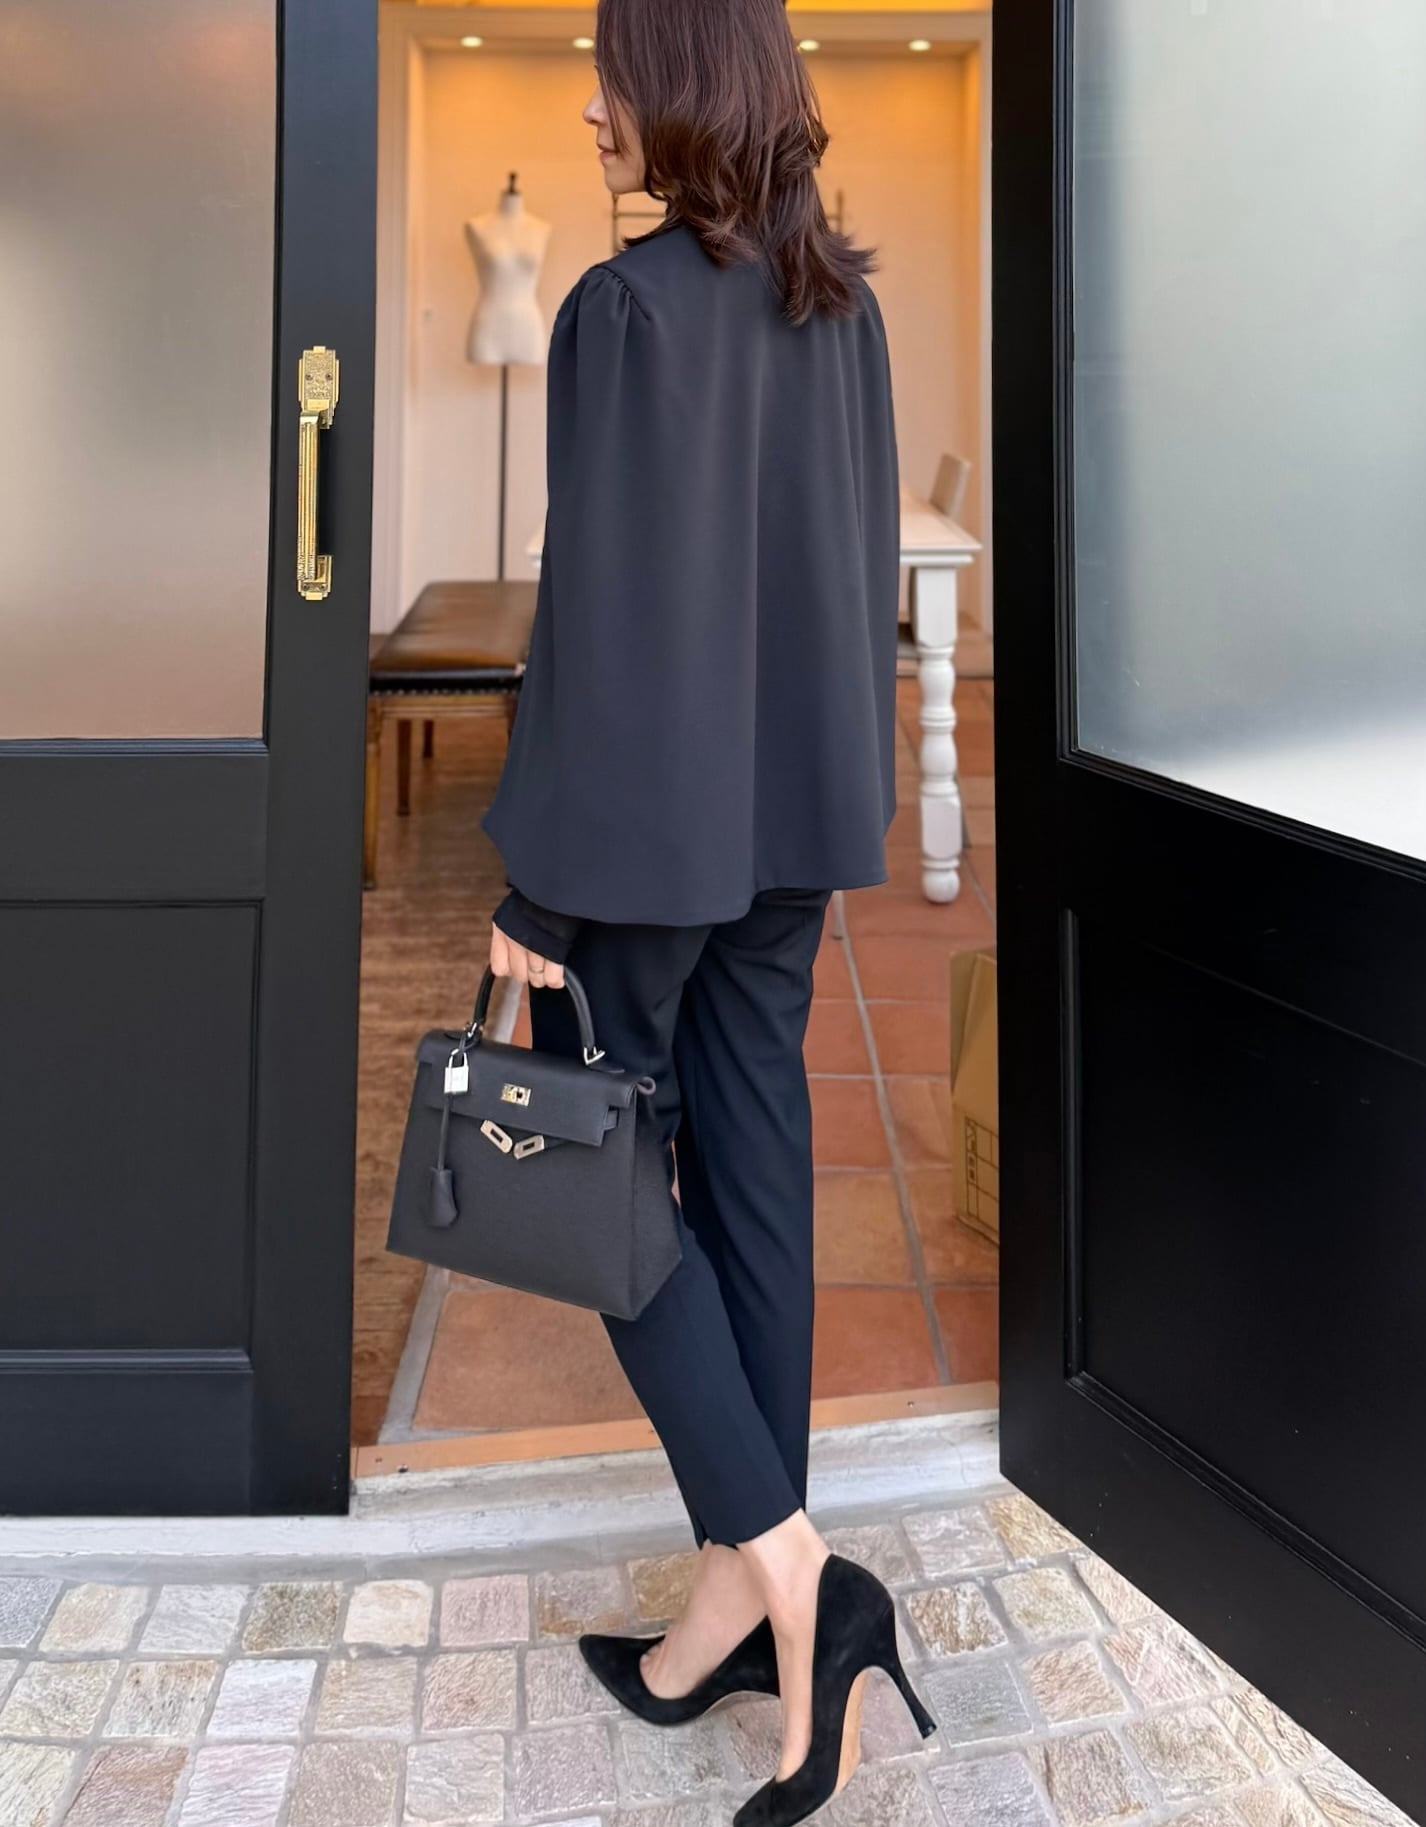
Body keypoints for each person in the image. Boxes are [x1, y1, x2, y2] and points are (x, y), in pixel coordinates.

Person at [482, 0, 932, 1818]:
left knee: (591, 1186)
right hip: (789, 819)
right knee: (753, 1175)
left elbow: (593, 618)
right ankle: (733, 1614)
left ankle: (785, 1561)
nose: (589, 103)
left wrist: (534, 889)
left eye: (608, 67)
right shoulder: (846, 311)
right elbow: (847, 568)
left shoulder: (625, 311)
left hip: (643, 842)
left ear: (669, 90)